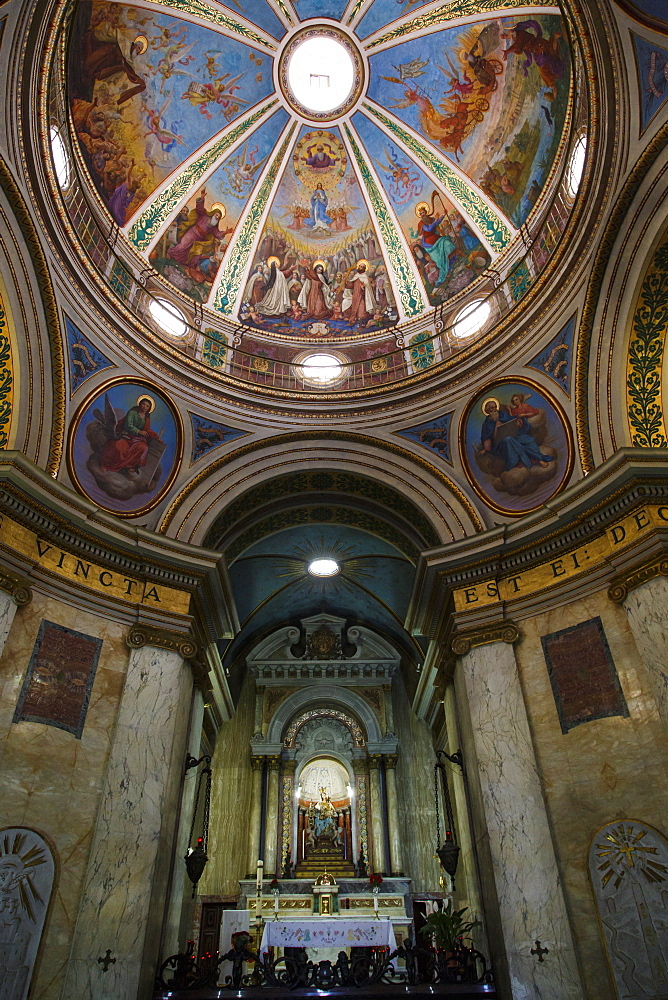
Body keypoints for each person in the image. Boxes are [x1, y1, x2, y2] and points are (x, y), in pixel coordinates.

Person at [480, 399, 554, 471]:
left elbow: (512, 419)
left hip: (513, 435)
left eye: (495, 407)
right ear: (487, 410)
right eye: (491, 408)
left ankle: (538, 458)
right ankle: (532, 461)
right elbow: (486, 437)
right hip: (500, 444)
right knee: (508, 440)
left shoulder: (502, 415)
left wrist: (518, 421)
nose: (494, 409)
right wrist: (485, 448)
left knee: (528, 439)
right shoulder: (486, 424)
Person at [168, 190, 232, 270]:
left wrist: (226, 232)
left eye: (218, 217)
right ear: (213, 213)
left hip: (200, 240)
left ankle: (187, 266)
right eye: (216, 215)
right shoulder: (204, 215)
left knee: (196, 254)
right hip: (193, 232)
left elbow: (217, 234)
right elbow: (199, 209)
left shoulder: (214, 227)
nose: (217, 217)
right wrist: (202, 197)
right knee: (183, 245)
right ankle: (170, 253)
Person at [101, 396, 160, 476]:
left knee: (143, 448)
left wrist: (156, 437)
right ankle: (107, 465)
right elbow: (128, 425)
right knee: (119, 446)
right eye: (143, 404)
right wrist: (139, 431)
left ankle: (129, 466)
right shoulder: (132, 412)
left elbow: (147, 430)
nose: (144, 407)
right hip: (126, 435)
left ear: (149, 408)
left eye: (147, 406)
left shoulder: (147, 418)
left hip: (137, 439)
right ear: (140, 403)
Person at [416, 204, 455, 285]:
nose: (422, 214)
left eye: (423, 212)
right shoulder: (421, 223)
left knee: (447, 244)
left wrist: (443, 215)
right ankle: (445, 272)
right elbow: (429, 228)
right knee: (439, 259)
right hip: (429, 244)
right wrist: (435, 221)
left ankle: (451, 263)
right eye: (421, 214)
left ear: (426, 212)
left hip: (436, 238)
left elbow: (438, 222)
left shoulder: (431, 219)